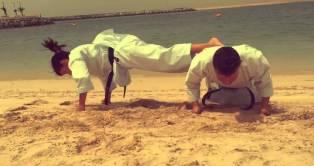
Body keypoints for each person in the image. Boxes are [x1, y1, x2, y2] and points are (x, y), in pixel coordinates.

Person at [42, 29, 223, 111]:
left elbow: (81, 79)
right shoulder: (85, 56)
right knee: (168, 64)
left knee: (164, 57)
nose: (69, 73)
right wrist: (106, 100)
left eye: (65, 71)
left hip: (125, 52)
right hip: (122, 56)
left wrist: (81, 106)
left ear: (63, 61)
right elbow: (106, 77)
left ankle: (210, 44)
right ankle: (208, 60)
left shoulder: (75, 56)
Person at [185, 45, 273, 115]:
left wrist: (264, 105)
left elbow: (264, 81)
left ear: (239, 65)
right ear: (214, 68)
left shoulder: (254, 59)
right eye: (223, 76)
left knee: (251, 100)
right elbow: (192, 83)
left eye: (231, 76)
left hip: (247, 83)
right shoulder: (202, 61)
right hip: (215, 84)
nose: (227, 81)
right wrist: (195, 105)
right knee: (216, 100)